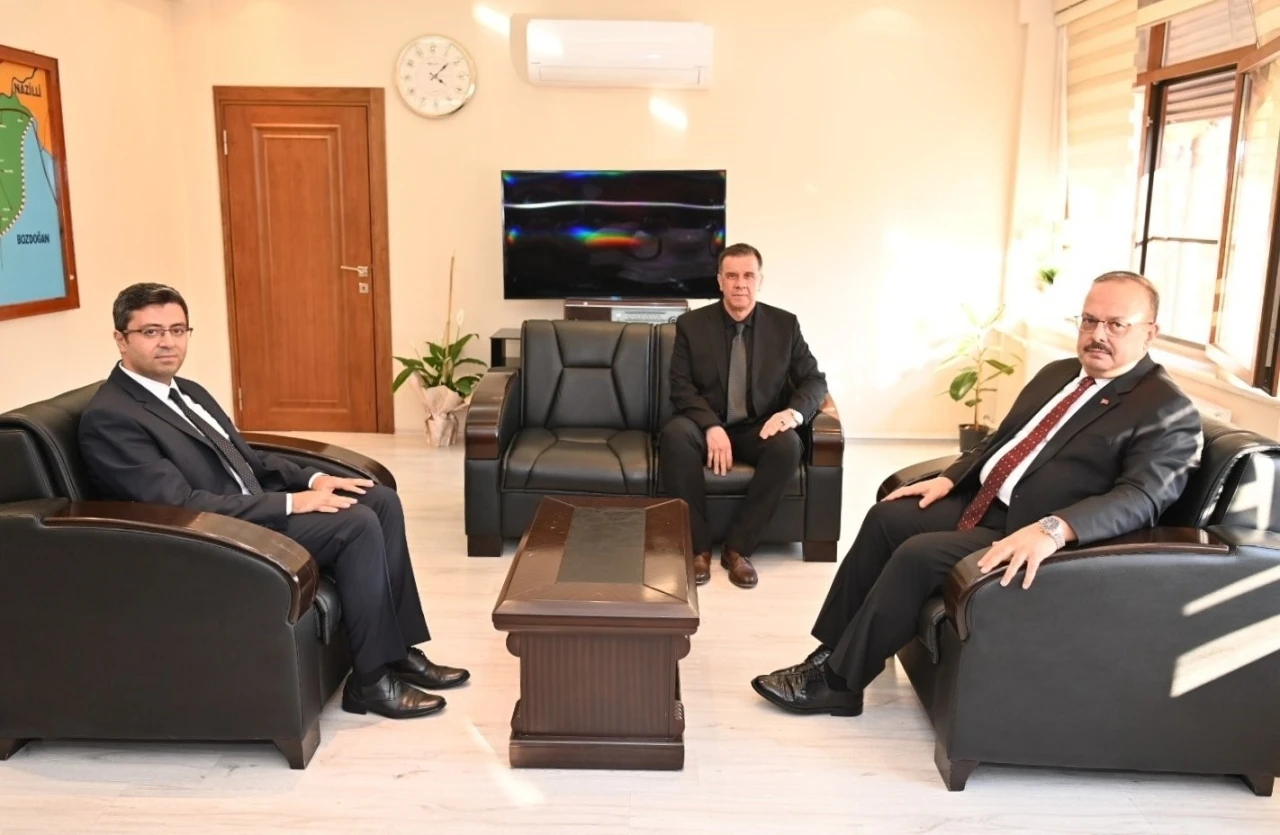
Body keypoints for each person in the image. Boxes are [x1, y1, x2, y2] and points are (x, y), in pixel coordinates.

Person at [752, 270, 1202, 715]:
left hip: (1027, 530)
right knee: (886, 518)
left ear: (1150, 332)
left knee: (917, 555)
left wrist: (1053, 529)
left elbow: (1142, 497)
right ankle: (831, 652)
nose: (1097, 335)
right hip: (985, 501)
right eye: (1089, 320)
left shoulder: (1166, 408)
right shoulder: (1059, 373)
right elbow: (1002, 440)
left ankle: (839, 685)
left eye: (1116, 324)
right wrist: (950, 478)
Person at [79, 283, 468, 720]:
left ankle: (396, 651)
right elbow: (180, 505)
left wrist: (317, 478)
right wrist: (291, 504)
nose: (168, 342)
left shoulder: (186, 390)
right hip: (215, 536)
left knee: (378, 499)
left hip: (248, 509)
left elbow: (247, 459)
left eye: (178, 329)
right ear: (121, 339)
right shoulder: (112, 417)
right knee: (355, 524)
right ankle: (370, 683)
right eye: (151, 332)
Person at [660, 242, 828, 589]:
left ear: (759, 280)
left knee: (787, 446)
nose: (740, 284)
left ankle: (738, 548)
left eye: (748, 275)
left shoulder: (784, 325)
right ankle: (698, 549)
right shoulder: (692, 324)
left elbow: (814, 380)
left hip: (758, 426)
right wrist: (710, 426)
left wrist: (793, 413)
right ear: (720, 280)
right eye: (732, 276)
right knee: (675, 436)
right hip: (704, 423)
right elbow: (680, 387)